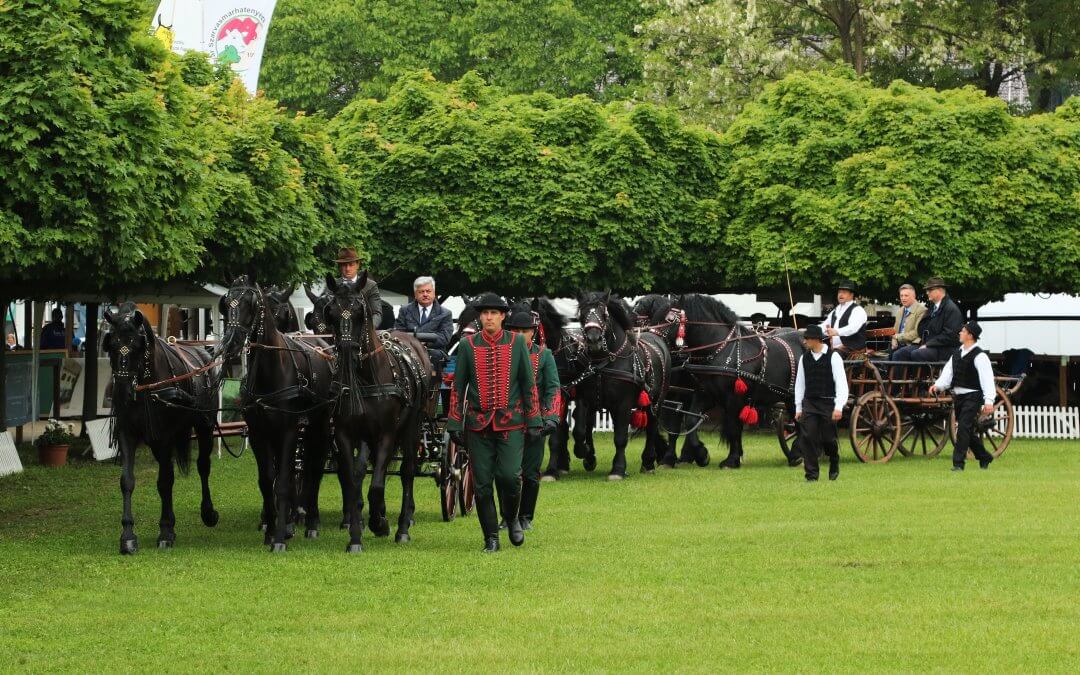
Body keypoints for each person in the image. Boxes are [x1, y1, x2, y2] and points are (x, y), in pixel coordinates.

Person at [447, 293, 541, 552]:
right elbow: (458, 387)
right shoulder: (467, 345)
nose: (488, 317)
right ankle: (491, 537)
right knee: (482, 484)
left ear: (502, 317)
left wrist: (534, 419)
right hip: (477, 425)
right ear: (480, 316)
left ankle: (511, 519)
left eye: (493, 313)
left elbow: (528, 383)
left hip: (511, 422)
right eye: (484, 313)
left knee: (510, 477)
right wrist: (455, 423)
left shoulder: (516, 343)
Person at [504, 305, 560, 531]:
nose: (519, 334)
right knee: (507, 473)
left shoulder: (544, 355)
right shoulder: (501, 355)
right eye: (515, 330)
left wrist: (551, 417)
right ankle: (507, 517)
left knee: (530, 472)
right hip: (507, 422)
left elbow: (552, 389)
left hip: (535, 422)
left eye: (524, 330)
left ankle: (526, 516)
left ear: (532, 332)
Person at [930, 321, 996, 471]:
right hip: (959, 397)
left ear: (970, 335)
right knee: (967, 430)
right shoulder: (957, 353)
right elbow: (948, 373)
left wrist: (989, 400)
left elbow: (987, 379)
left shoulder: (980, 356)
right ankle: (984, 456)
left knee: (963, 429)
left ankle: (958, 464)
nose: (960, 333)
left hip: (973, 396)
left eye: (963, 331)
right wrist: (938, 385)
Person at [794, 324, 849, 482]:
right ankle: (811, 475)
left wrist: (838, 406)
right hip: (810, 404)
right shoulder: (804, 358)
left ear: (816, 340)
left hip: (828, 404)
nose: (804, 342)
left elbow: (841, 383)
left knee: (828, 439)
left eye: (807, 339)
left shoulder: (834, 357)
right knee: (807, 437)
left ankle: (834, 460)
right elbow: (800, 384)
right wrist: (798, 407)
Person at [891, 277, 962, 362]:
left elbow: (949, 336)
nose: (927, 292)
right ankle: (896, 376)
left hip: (945, 349)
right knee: (900, 353)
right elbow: (924, 328)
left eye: (930, 290)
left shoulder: (951, 308)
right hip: (932, 345)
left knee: (916, 353)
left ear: (939, 290)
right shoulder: (933, 307)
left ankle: (917, 376)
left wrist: (928, 344)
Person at [395, 276, 453, 368]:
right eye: (421, 292)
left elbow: (445, 338)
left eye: (428, 291)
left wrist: (425, 343)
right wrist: (413, 343)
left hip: (434, 353)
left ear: (434, 293)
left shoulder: (445, 313)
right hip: (408, 349)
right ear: (415, 294)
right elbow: (398, 332)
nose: (425, 294)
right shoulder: (404, 310)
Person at [334, 247, 382, 329]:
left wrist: (367, 329)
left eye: (351, 265)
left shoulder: (370, 285)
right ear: (340, 267)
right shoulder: (332, 286)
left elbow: (376, 314)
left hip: (363, 333)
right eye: (344, 265)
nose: (348, 269)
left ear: (357, 265)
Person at [819, 280, 866, 356]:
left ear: (851, 295)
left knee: (834, 354)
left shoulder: (858, 310)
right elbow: (825, 325)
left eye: (844, 292)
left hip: (853, 349)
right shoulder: (835, 311)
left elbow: (853, 328)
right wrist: (811, 330)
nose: (840, 294)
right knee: (816, 352)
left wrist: (836, 331)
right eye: (839, 292)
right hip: (835, 348)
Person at [890, 283, 927, 352]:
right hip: (899, 344)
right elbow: (894, 330)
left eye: (906, 295)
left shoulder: (922, 310)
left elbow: (917, 333)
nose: (903, 298)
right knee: (882, 356)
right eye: (901, 296)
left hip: (913, 344)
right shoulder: (900, 310)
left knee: (897, 355)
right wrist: (894, 339)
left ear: (914, 296)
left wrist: (897, 337)